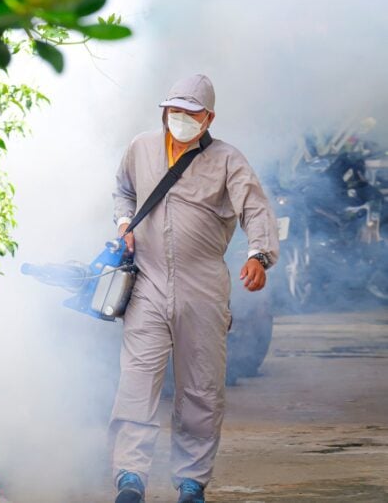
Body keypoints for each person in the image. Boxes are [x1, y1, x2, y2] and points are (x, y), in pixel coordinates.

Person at [109, 74, 280, 503]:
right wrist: (124, 224)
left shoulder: (228, 160)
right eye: (174, 111)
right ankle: (130, 476)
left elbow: (256, 208)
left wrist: (259, 256)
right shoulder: (141, 148)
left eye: (190, 113)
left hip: (202, 286)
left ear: (209, 119)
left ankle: (191, 481)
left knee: (200, 388)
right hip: (146, 282)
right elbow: (123, 191)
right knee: (137, 381)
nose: (180, 119)